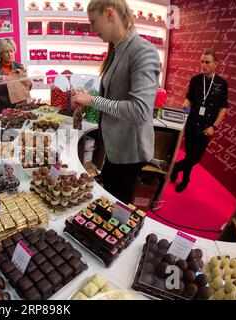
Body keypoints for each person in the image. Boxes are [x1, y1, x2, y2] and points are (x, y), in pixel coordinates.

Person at [71, 0, 160, 204]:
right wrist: (89, 98)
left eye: (94, 22)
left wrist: (93, 100)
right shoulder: (118, 49)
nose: (93, 29)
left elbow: (139, 110)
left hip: (130, 153)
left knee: (116, 206)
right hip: (115, 147)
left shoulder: (143, 51)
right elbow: (115, 93)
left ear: (110, 14)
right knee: (108, 199)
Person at [171, 49, 228, 192]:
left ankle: (176, 168)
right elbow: (188, 99)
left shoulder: (222, 84)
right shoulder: (196, 80)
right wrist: (184, 112)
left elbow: (223, 108)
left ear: (215, 64)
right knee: (189, 154)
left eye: (207, 62)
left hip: (206, 127)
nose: (203, 65)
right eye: (202, 61)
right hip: (192, 123)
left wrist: (214, 127)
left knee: (195, 158)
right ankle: (185, 180)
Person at [0, 38, 31, 114]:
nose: (10, 54)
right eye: (6, 52)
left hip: (20, 106)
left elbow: (25, 87)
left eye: (11, 51)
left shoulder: (19, 66)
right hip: (3, 108)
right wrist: (0, 84)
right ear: (0, 54)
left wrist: (29, 84)